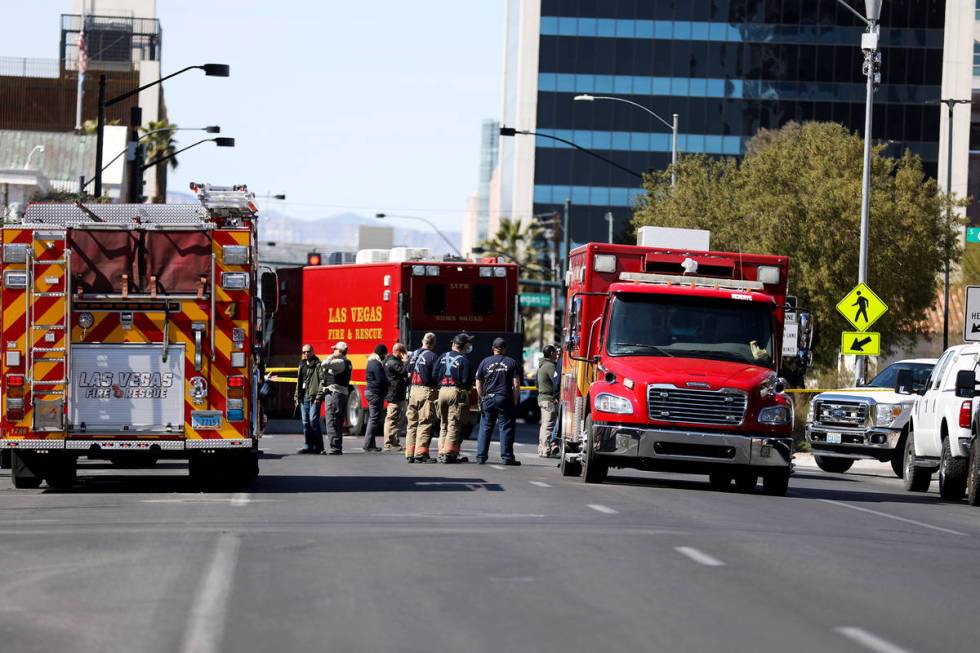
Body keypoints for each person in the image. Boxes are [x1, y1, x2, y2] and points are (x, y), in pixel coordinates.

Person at [475, 337, 522, 466]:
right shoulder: (511, 362)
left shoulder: (484, 362)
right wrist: (515, 401)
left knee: (485, 427)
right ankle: (507, 457)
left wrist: (481, 398)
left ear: (493, 349)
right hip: (504, 398)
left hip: (488, 398)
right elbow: (516, 384)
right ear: (505, 349)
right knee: (506, 427)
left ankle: (480, 457)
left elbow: (478, 382)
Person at [436, 333, 474, 464]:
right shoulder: (464, 360)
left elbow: (435, 374)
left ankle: (441, 451)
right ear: (464, 346)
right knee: (454, 423)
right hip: (455, 392)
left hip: (441, 391)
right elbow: (466, 380)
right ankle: (450, 453)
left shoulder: (442, 356)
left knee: (443, 423)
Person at [405, 332, 439, 463]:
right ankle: (420, 453)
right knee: (424, 422)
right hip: (425, 390)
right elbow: (435, 375)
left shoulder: (414, 354)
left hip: (413, 390)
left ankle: (409, 453)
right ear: (433, 343)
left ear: (422, 341)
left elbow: (407, 370)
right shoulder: (432, 356)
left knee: (412, 423)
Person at [321, 341, 353, 455]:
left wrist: (332, 356)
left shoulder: (339, 362)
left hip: (335, 393)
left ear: (339, 351)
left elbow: (324, 364)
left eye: (335, 349)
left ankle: (334, 446)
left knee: (331, 419)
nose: (332, 351)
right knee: (338, 421)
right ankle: (337, 446)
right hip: (342, 394)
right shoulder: (348, 362)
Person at [294, 344, 325, 454]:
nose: (306, 354)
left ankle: (319, 447)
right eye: (304, 352)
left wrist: (319, 396)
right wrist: (296, 397)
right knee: (306, 423)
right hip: (303, 398)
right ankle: (308, 446)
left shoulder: (318, 364)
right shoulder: (301, 364)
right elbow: (299, 382)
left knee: (313, 421)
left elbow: (322, 381)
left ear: (312, 351)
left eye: (308, 351)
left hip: (314, 398)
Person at [363, 343, 389, 451]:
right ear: (381, 354)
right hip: (375, 393)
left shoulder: (370, 361)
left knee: (372, 418)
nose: (385, 357)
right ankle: (368, 444)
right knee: (374, 419)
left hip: (370, 391)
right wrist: (388, 383)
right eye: (384, 354)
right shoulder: (377, 364)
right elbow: (381, 380)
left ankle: (371, 444)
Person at [383, 342, 409, 451]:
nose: (404, 354)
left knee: (395, 419)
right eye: (403, 352)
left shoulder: (391, 361)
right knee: (392, 419)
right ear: (397, 351)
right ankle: (389, 443)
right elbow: (404, 372)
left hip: (395, 393)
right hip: (395, 394)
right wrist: (406, 362)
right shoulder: (394, 363)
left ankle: (394, 441)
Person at [536, 344, 559, 457]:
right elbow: (556, 381)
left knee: (544, 424)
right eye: (555, 352)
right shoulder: (550, 366)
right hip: (548, 399)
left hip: (542, 398)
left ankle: (541, 447)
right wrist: (556, 396)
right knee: (548, 425)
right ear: (551, 353)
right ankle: (545, 448)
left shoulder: (541, 365)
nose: (557, 354)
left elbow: (536, 383)